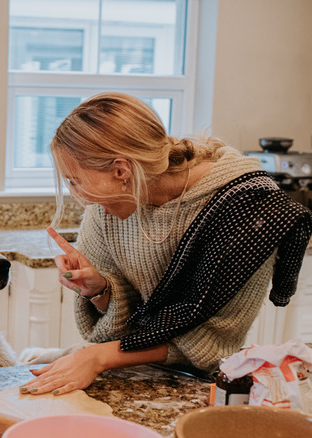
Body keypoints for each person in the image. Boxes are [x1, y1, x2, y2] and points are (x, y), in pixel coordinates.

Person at [20, 92, 312, 396]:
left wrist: (98, 357)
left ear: (121, 171)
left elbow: (212, 341)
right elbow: (126, 325)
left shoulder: (248, 210)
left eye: (75, 181)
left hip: (207, 385)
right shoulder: (108, 207)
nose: (76, 195)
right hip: (132, 372)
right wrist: (98, 289)